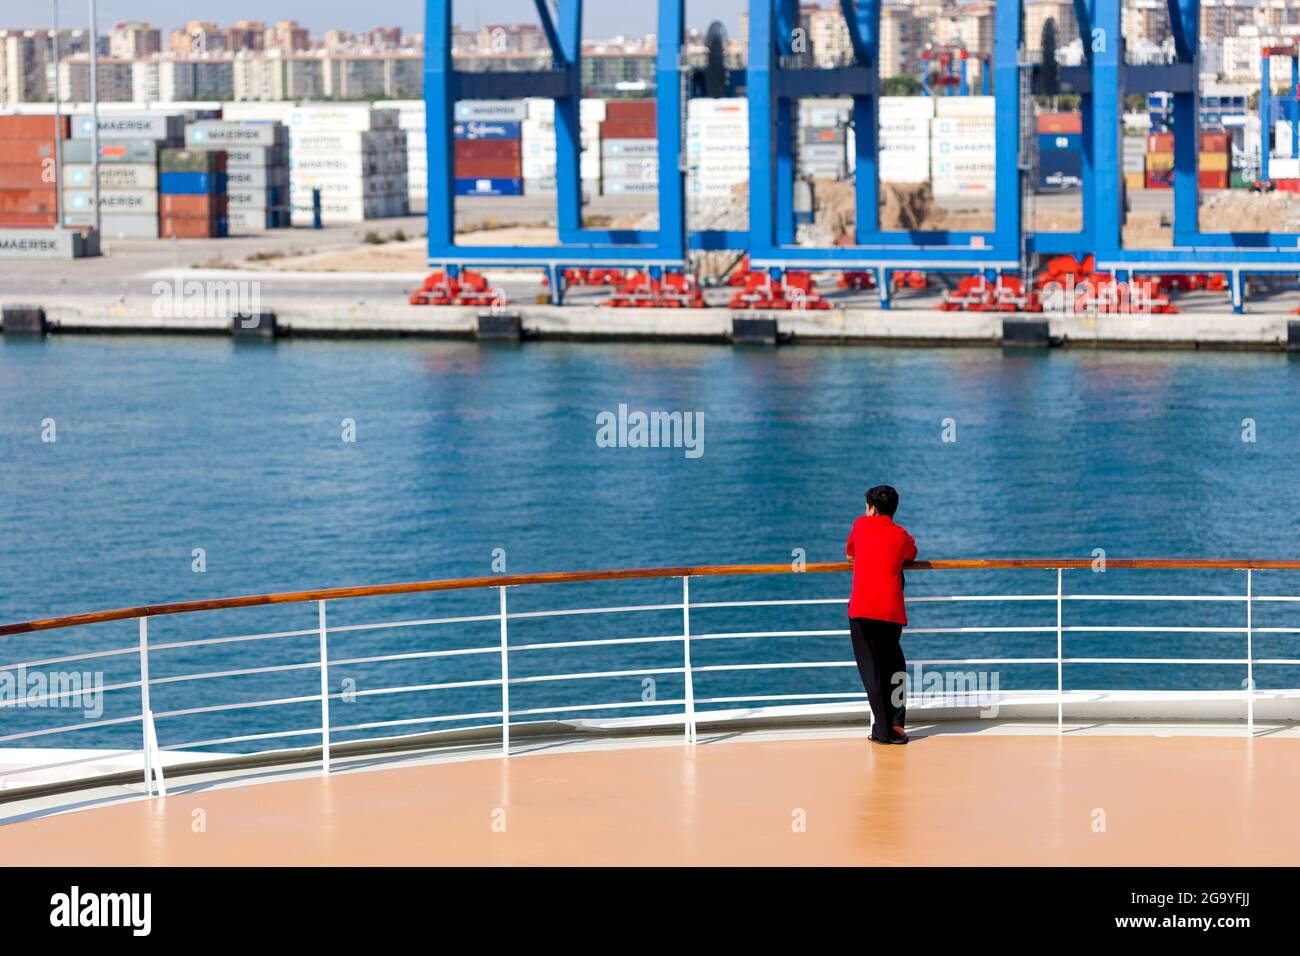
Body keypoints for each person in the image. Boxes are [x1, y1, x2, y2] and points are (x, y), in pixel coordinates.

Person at [845, 485, 918, 745]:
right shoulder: (901, 535)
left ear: (872, 509)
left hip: (862, 610)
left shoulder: (861, 525)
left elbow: (850, 551)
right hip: (890, 611)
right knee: (894, 666)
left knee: (871, 671)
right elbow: (912, 553)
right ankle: (896, 725)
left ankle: (883, 730)